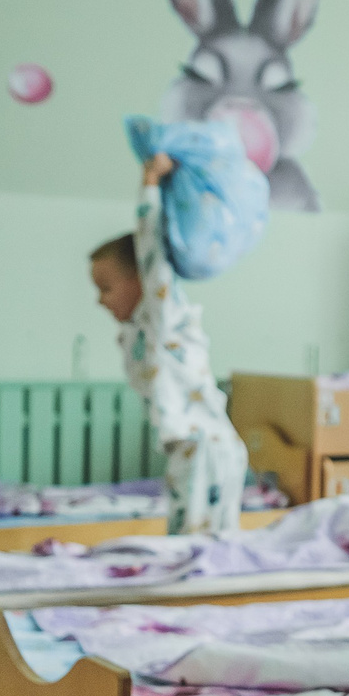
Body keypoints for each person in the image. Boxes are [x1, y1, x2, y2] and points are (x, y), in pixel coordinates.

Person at [91, 153, 251, 535]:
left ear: (141, 281)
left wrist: (150, 183)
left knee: (191, 546)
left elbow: (152, 250)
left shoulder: (164, 316)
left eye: (106, 288)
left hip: (207, 449)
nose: (101, 300)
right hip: (193, 450)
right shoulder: (137, 333)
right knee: (199, 543)